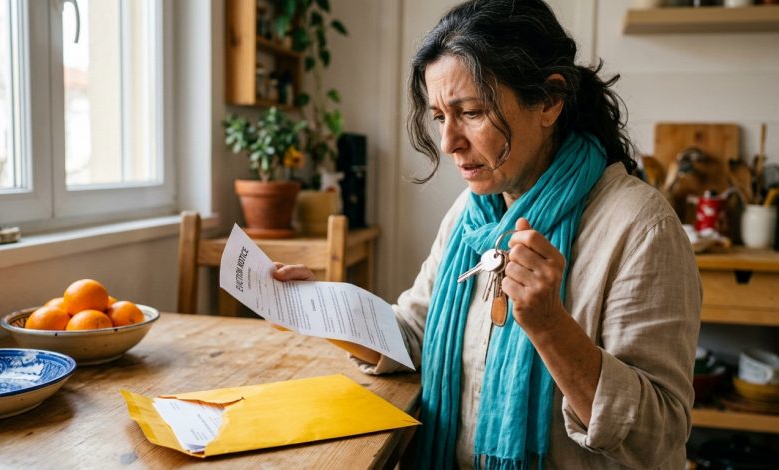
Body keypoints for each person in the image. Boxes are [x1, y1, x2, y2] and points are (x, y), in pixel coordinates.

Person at [273, 0, 701, 468]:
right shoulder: (469, 215)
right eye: (440, 116)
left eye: (471, 112)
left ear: (549, 101)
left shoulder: (640, 227)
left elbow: (658, 438)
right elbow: (416, 334)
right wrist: (319, 308)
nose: (448, 142)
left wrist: (550, 326)